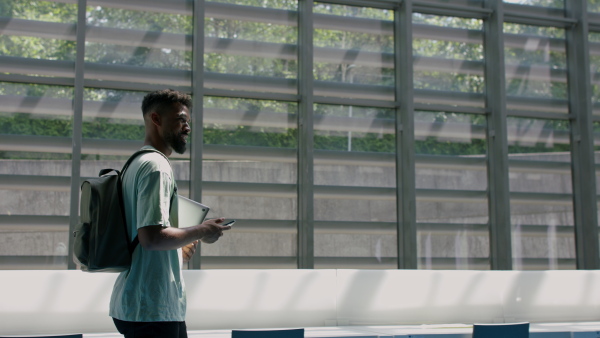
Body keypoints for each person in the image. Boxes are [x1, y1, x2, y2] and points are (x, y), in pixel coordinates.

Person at [109, 89, 231, 338]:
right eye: (181, 119)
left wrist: (180, 244)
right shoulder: (156, 167)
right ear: (156, 119)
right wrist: (203, 230)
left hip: (138, 304)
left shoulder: (135, 163)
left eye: (188, 121)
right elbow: (152, 239)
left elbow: (146, 236)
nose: (187, 127)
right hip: (152, 307)